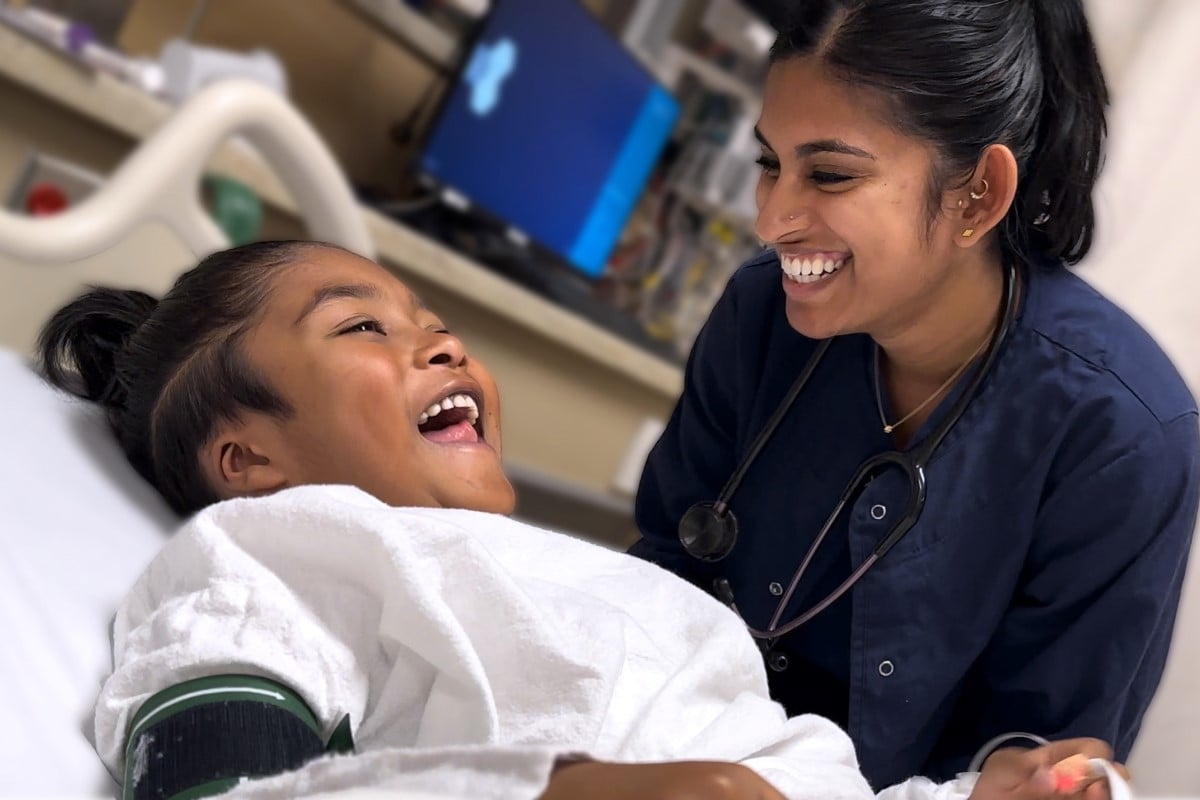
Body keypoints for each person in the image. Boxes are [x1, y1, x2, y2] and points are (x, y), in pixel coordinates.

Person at [39, 241, 1126, 800]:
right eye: (363, 326)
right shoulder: (265, 559)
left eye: (436, 320)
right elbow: (230, 789)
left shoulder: (589, 592)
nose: (443, 344)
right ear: (249, 458)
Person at [629, 0, 1200, 790]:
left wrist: (1017, 775)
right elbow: (656, 578)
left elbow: (1046, 755)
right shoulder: (762, 314)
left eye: (828, 174)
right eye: (771, 163)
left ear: (977, 195)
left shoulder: (1122, 436)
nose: (771, 220)